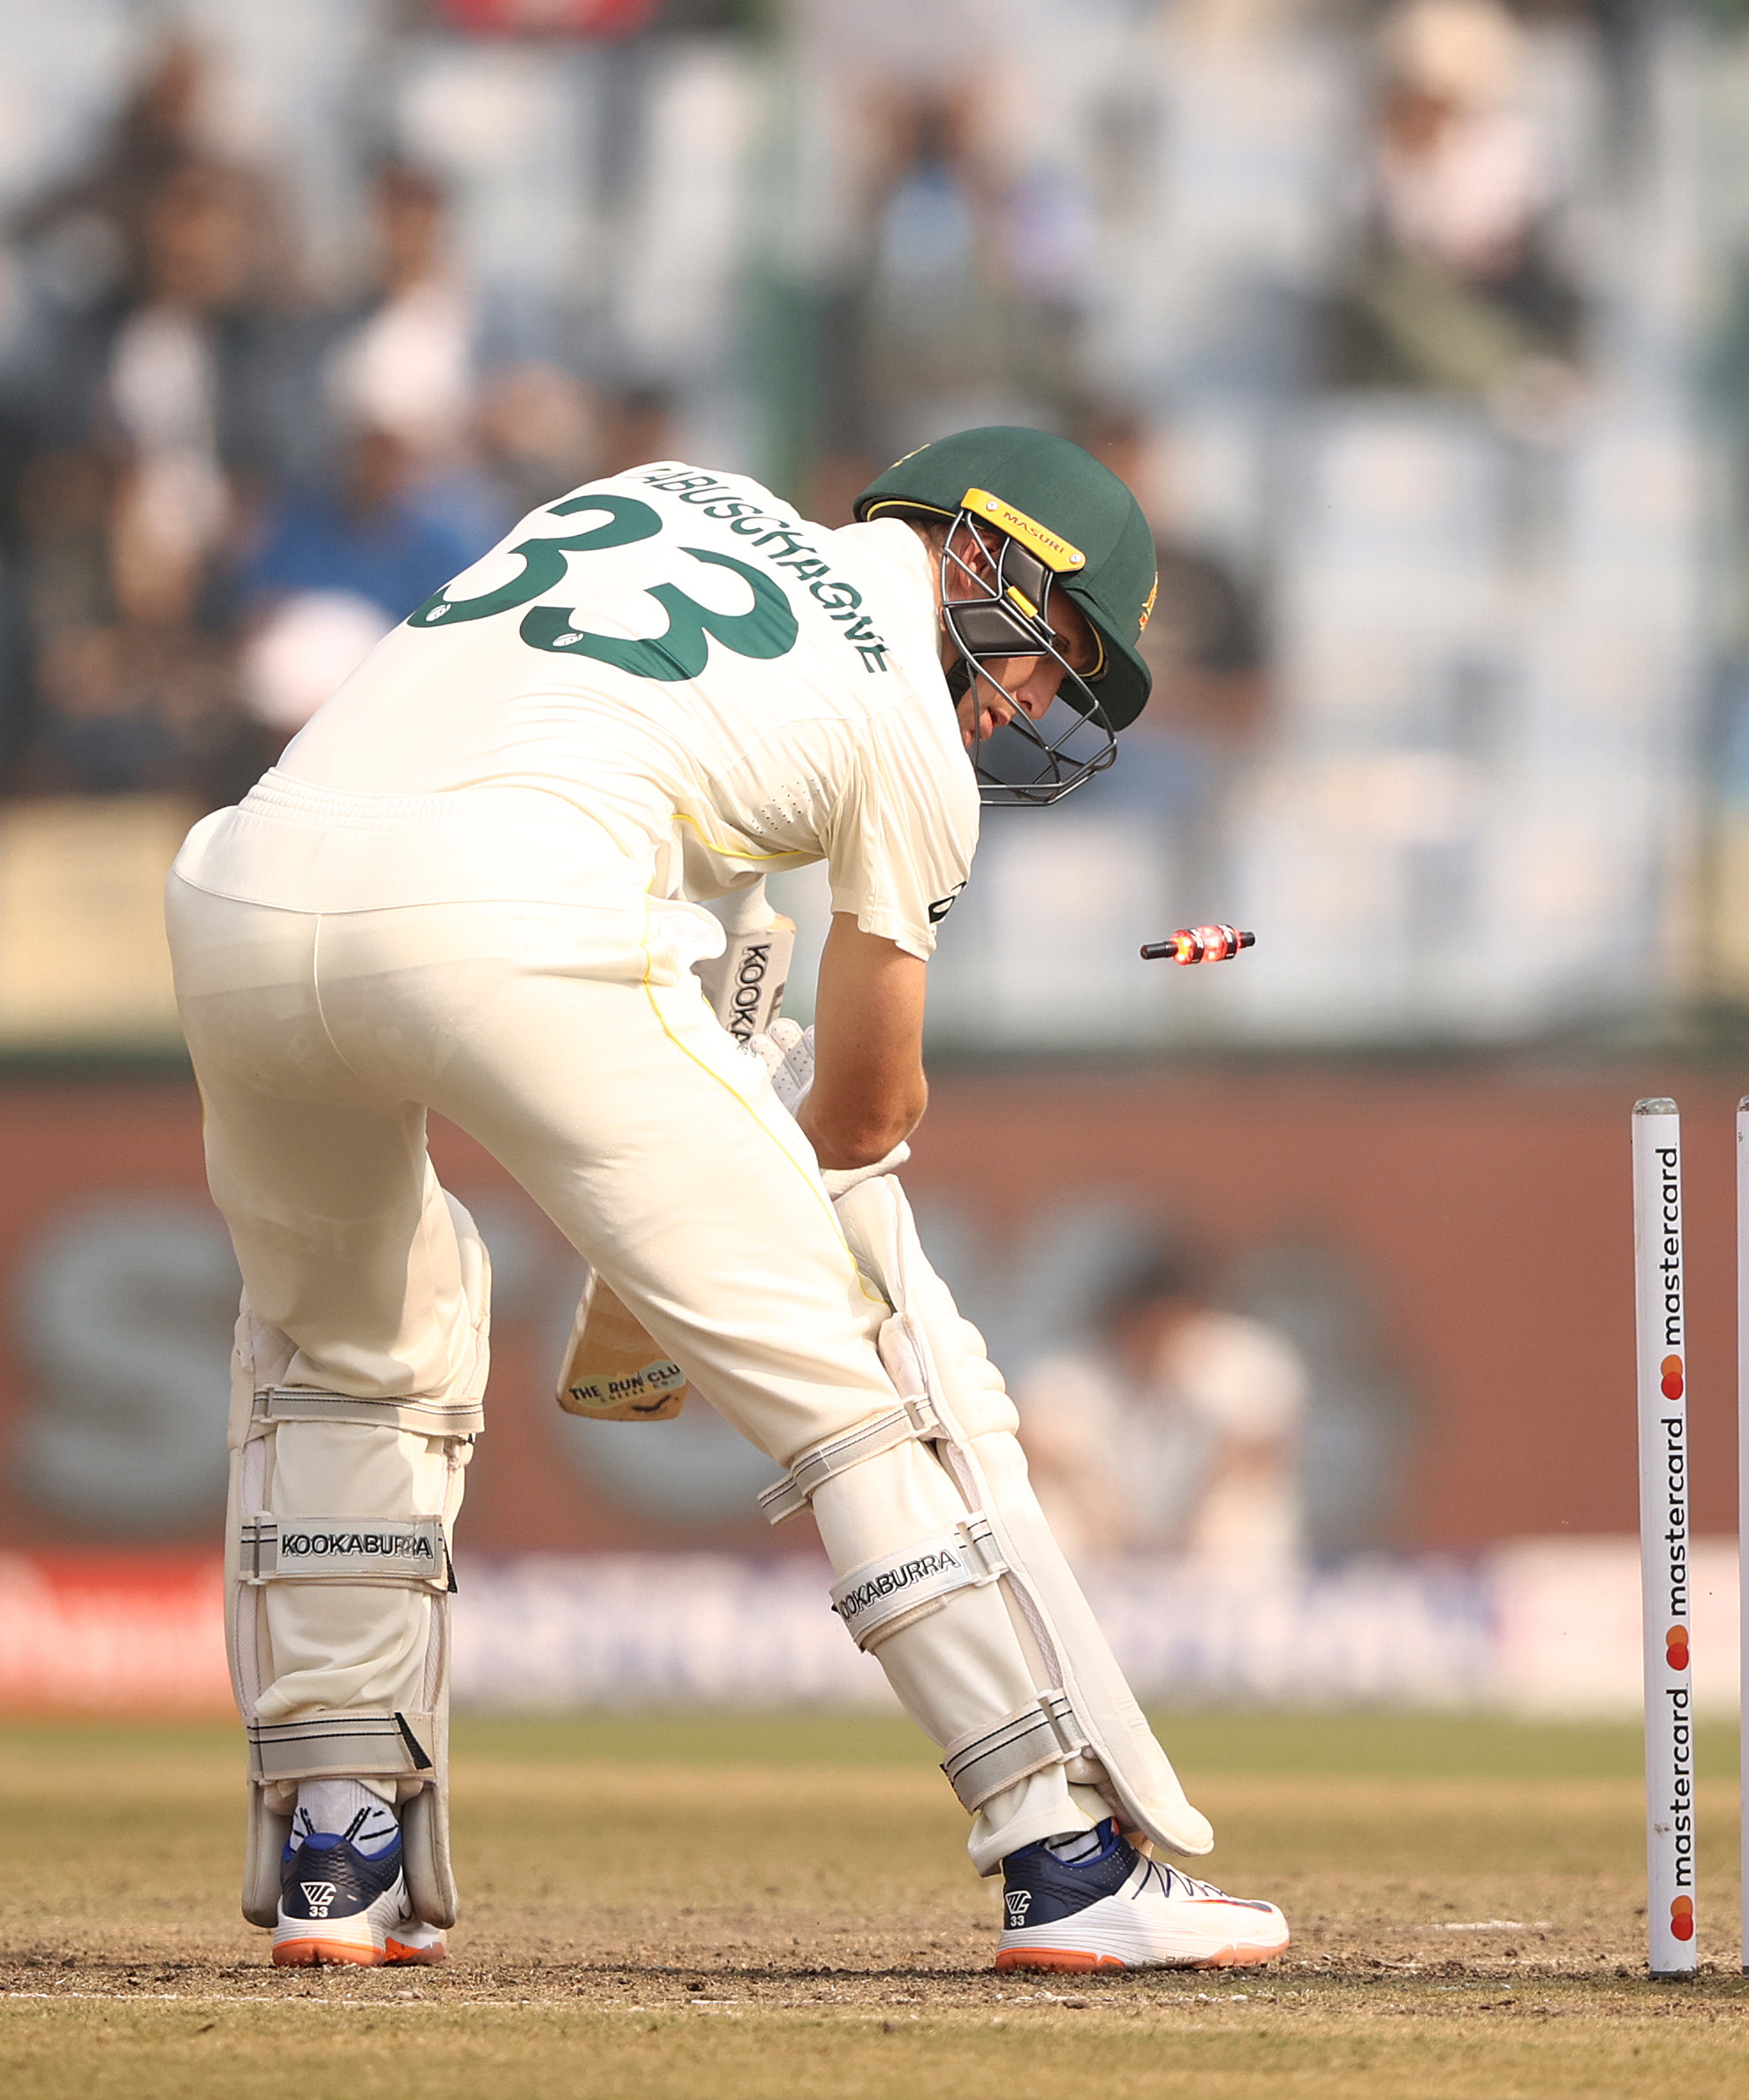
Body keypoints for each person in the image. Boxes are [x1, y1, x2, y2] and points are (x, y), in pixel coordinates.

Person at [165, 425, 1289, 1975]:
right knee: (858, 1373)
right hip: (508, 902)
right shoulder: (897, 707)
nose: (1035, 699)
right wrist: (717, 1231)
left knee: (355, 1351)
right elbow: (870, 1111)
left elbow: (628, 810)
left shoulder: (661, 498)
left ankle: (334, 1858)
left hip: (242, 889)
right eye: (1057, 651)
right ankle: (1063, 1851)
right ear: (979, 549)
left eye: (1067, 687)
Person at [1014, 1237, 1309, 1566]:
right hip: (1106, 1549)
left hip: (1201, 1554)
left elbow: (1252, 1454)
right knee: (1054, 1509)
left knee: (1238, 1508)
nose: (1155, 1339)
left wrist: (1179, 1532)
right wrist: (1110, 1523)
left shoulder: (1245, 1360)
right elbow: (1038, 1449)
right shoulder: (1072, 1374)